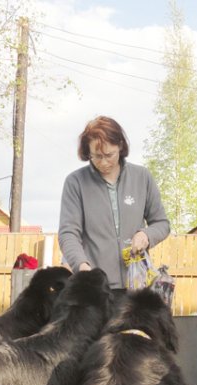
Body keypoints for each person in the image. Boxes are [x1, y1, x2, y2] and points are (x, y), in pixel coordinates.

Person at [58, 115, 170, 292]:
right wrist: (82, 267)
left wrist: (146, 235)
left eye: (109, 155)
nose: (103, 163)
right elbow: (68, 233)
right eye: (96, 156)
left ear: (120, 145)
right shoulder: (75, 182)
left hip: (136, 286)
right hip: (94, 289)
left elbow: (162, 223)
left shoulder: (142, 177)